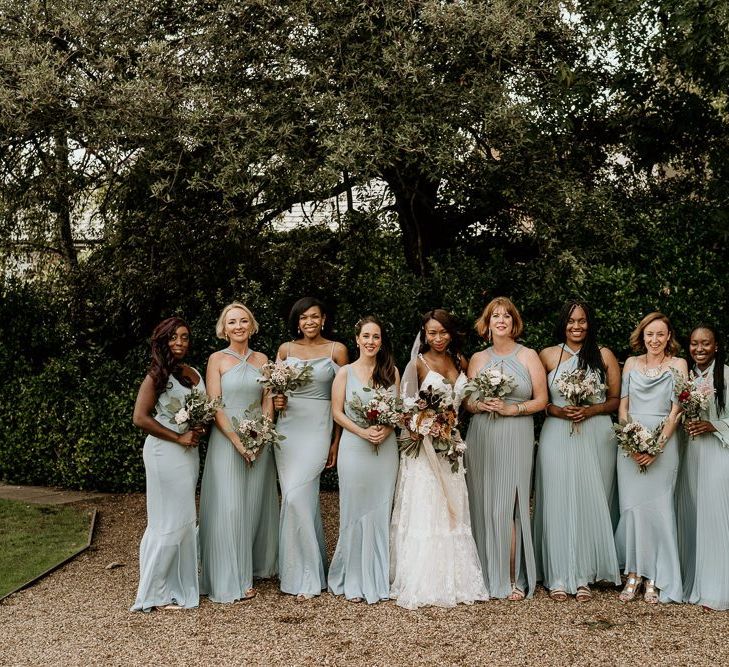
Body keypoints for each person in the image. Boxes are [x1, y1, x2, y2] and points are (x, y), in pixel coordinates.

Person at [390, 309, 488, 609]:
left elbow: (467, 403)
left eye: (443, 332)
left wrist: (487, 402)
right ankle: (424, 580)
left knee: (452, 508)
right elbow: (403, 409)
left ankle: (455, 580)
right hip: (425, 449)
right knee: (427, 506)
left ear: (451, 332)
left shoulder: (461, 360)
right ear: (424, 334)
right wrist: (426, 425)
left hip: (452, 445)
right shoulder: (416, 364)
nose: (438, 338)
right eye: (432, 332)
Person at [533, 300, 621, 601]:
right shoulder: (546, 355)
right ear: (563, 323)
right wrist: (557, 411)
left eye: (582, 321)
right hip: (557, 433)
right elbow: (540, 401)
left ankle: (583, 575)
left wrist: (591, 408)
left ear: (589, 323)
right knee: (557, 499)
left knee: (587, 500)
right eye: (571, 321)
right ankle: (558, 575)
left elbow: (616, 400)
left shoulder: (603, 354)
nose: (577, 326)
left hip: (595, 433)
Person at [464, 297, 548, 600]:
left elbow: (542, 400)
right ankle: (485, 574)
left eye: (507, 316)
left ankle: (512, 577)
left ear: (514, 323)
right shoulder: (477, 359)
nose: (501, 320)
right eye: (495, 316)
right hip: (484, 434)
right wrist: (479, 404)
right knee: (485, 503)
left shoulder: (528, 356)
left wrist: (515, 410)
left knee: (511, 504)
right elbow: (467, 402)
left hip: (517, 431)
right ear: (487, 323)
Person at [198, 303, 278, 603]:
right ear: (224, 328)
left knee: (254, 503)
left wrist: (264, 434)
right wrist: (237, 442)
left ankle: (254, 566)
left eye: (244, 320)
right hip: (227, 440)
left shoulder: (263, 359)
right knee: (230, 507)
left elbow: (267, 400)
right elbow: (215, 405)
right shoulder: (216, 360)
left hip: (260, 440)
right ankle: (230, 577)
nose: (238, 326)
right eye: (232, 322)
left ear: (252, 325)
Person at [273, 297, 348, 599]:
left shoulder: (337, 350)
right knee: (296, 499)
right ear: (297, 321)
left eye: (314, 317)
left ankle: (306, 574)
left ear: (324, 319)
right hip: (288, 429)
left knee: (297, 496)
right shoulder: (285, 350)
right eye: (303, 318)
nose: (309, 323)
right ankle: (305, 572)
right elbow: (274, 390)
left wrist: (336, 440)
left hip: (319, 426)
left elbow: (345, 394)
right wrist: (277, 400)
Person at [131, 317, 202, 611]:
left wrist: (199, 427)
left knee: (184, 517)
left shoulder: (193, 372)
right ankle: (153, 593)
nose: (180, 343)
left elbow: (201, 411)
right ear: (162, 341)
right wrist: (177, 437)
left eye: (184, 337)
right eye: (173, 337)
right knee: (166, 521)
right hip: (164, 452)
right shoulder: (156, 376)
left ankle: (176, 587)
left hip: (188, 453)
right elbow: (140, 418)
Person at [328, 316, 400, 604]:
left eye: (376, 337)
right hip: (354, 447)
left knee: (381, 509)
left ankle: (379, 576)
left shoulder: (390, 372)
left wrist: (387, 428)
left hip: (385, 449)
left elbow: (397, 410)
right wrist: (362, 431)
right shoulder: (344, 373)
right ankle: (354, 576)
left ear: (381, 341)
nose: (371, 342)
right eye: (366, 336)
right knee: (354, 508)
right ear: (357, 339)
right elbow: (336, 412)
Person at [615, 312, 686, 603]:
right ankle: (633, 572)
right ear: (642, 336)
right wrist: (631, 441)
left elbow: (677, 410)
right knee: (632, 509)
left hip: (664, 442)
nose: (654, 340)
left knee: (659, 509)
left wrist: (657, 446)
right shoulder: (631, 363)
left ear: (668, 337)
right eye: (649, 334)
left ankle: (655, 575)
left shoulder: (679, 364)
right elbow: (622, 406)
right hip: (630, 442)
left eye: (660, 334)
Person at [676, 324, 729, 610]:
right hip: (690, 453)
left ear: (716, 346)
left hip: (718, 452)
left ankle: (716, 588)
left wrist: (714, 425)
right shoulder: (685, 378)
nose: (699, 348)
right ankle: (693, 581)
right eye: (694, 343)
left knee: (715, 517)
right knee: (692, 515)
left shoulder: (727, 375)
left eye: (705, 343)